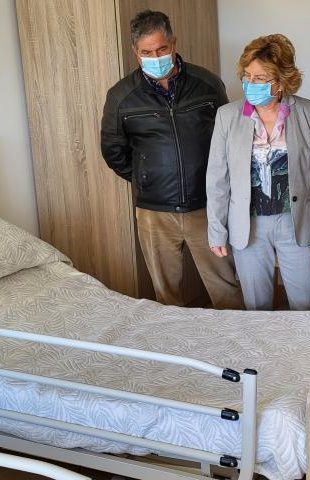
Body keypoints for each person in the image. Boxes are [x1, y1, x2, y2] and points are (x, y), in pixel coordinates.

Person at [100, 10, 243, 309]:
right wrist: (145, 177)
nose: (155, 57)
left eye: (161, 49)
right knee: (166, 296)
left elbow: (229, 139)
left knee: (226, 287)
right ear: (135, 52)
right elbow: (113, 150)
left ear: (173, 43)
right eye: (146, 52)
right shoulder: (121, 96)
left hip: (207, 205)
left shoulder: (207, 84)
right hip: (155, 212)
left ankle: (238, 336)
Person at [206, 34, 310, 311]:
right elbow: (217, 180)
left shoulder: (309, 113)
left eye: (260, 78)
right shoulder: (227, 116)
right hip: (248, 225)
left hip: (297, 223)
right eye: (247, 76)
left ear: (281, 80)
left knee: (306, 306)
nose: (250, 84)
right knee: (256, 308)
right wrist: (216, 230)